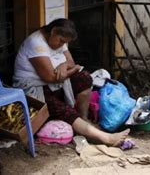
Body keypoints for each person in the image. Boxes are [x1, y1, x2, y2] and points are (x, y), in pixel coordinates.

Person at [13, 18, 129, 146]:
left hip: (54, 85)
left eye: (64, 43)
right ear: (52, 31)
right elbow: (51, 77)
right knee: (64, 110)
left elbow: (70, 63)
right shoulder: (35, 43)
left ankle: (83, 120)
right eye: (60, 41)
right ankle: (106, 138)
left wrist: (63, 65)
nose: (61, 45)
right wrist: (72, 69)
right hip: (35, 88)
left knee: (85, 78)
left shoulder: (61, 40)